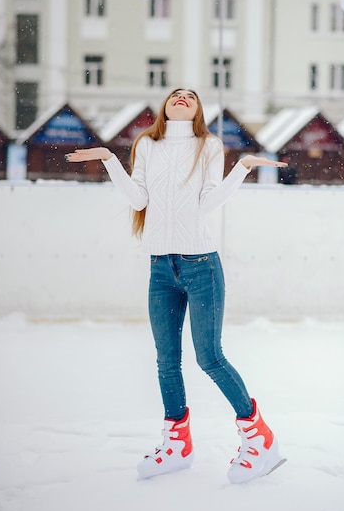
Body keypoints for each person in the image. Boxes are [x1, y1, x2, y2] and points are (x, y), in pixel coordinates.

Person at [66, 88, 287, 484]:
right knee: (166, 361)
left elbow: (205, 203)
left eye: (191, 95)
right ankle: (177, 444)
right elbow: (137, 199)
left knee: (210, 358)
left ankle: (259, 437)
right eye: (176, 94)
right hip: (160, 268)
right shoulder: (147, 146)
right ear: (165, 105)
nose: (182, 97)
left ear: (199, 108)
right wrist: (109, 160)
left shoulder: (208, 146)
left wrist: (243, 168)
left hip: (202, 266)